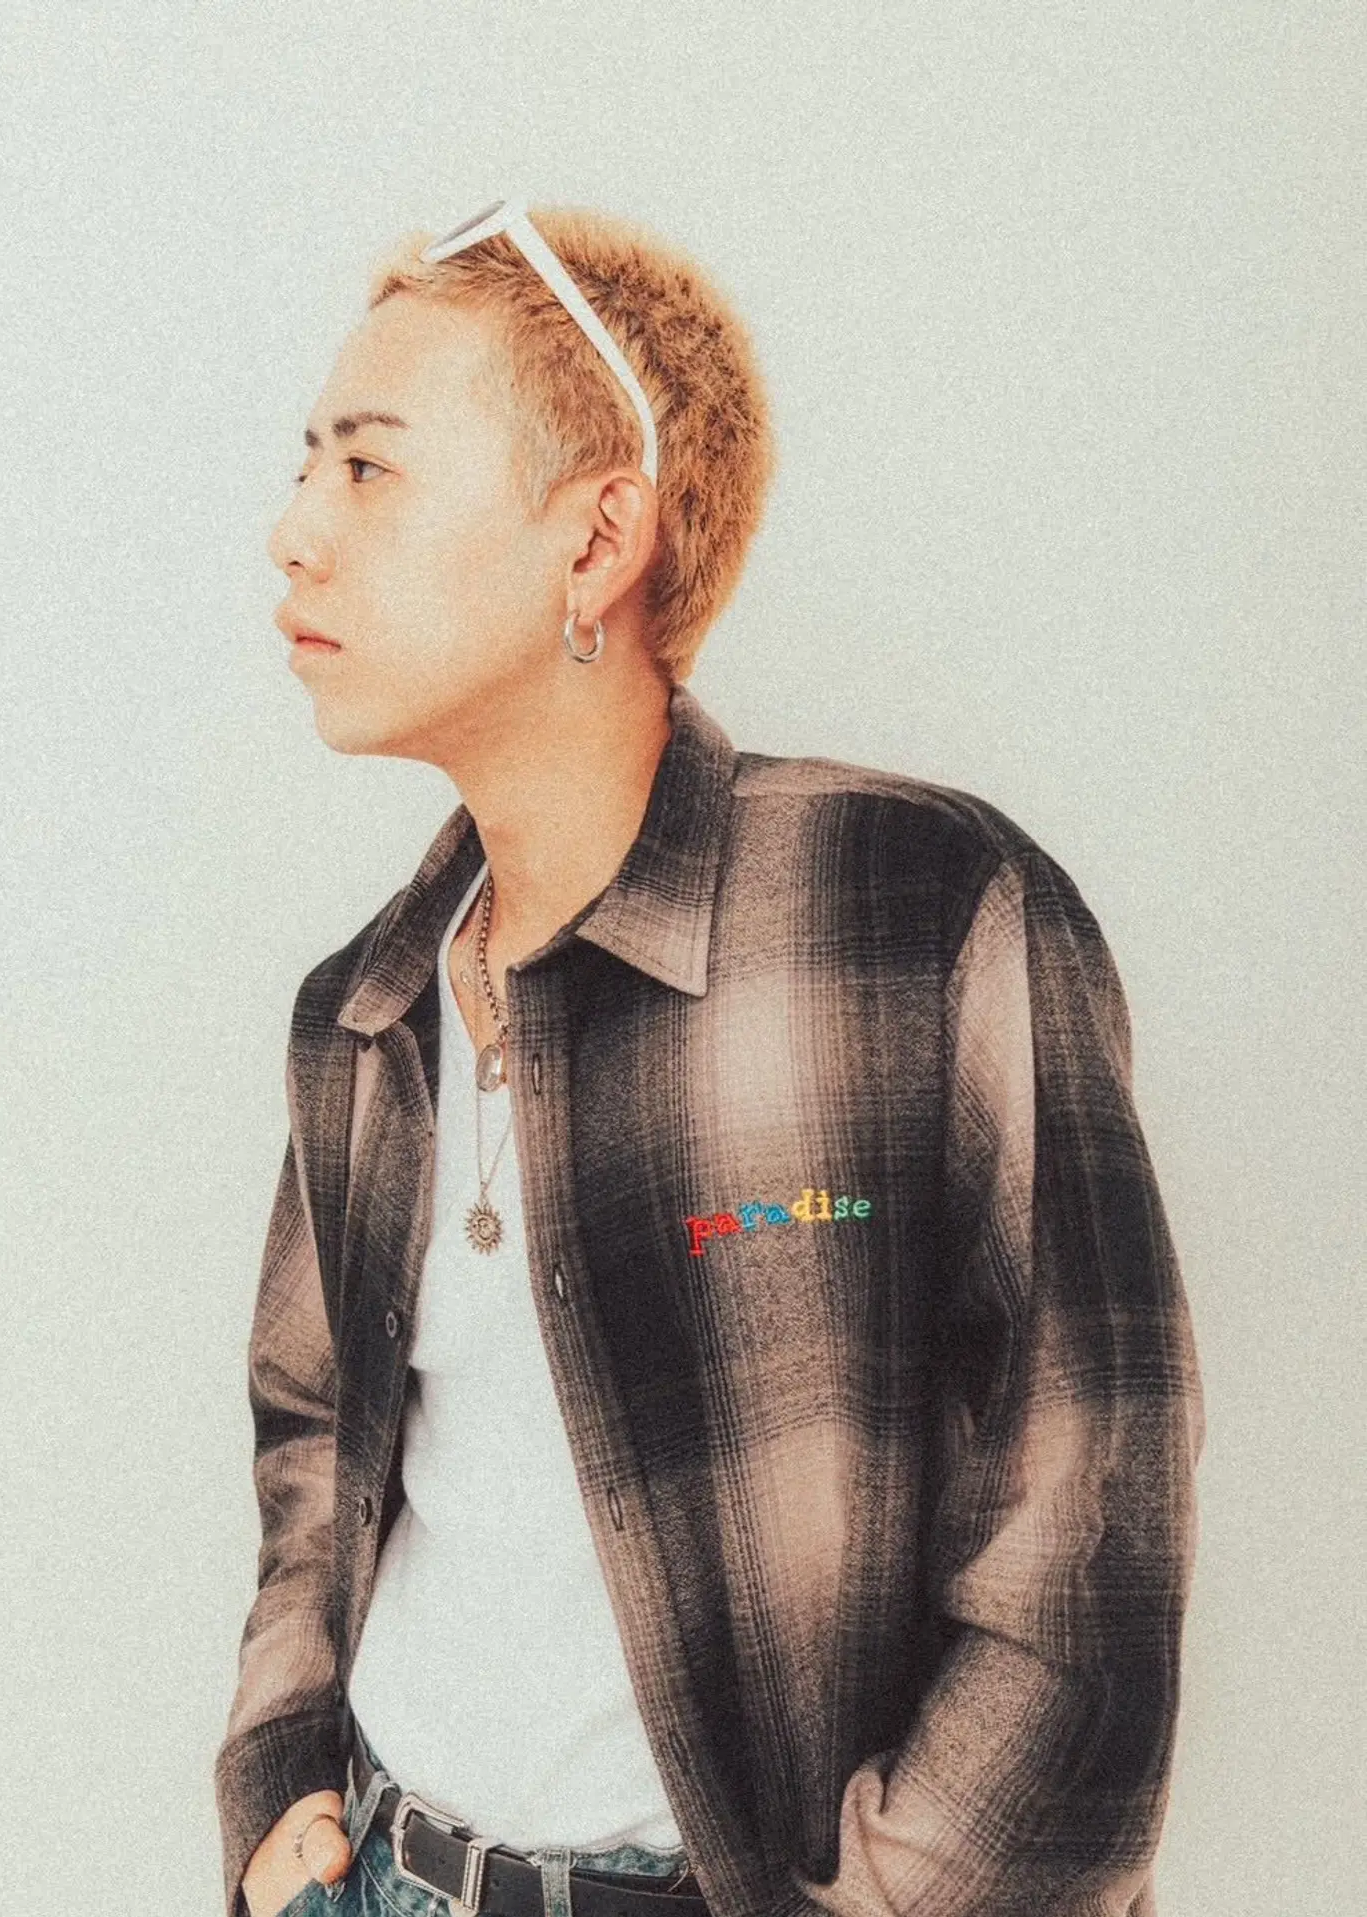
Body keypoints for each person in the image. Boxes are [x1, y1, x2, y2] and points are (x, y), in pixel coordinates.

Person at [215, 198, 1205, 1917]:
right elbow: (314, 1448)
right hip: (376, 1876)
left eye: (367, 468)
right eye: (306, 465)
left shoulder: (919, 915)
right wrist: (277, 1776)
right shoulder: (362, 1014)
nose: (293, 531)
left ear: (598, 541)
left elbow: (1088, 1544)